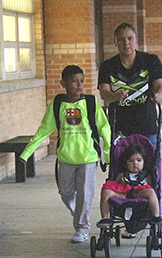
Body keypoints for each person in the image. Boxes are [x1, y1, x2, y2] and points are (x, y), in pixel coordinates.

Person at [20, 65, 111, 243]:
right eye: (74, 81)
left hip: (88, 158)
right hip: (66, 158)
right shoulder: (57, 105)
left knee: (85, 195)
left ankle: (82, 228)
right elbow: (44, 131)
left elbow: (105, 129)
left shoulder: (91, 103)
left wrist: (107, 155)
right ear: (63, 83)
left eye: (82, 81)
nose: (79, 85)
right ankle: (79, 213)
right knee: (65, 192)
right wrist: (27, 152)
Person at [97, 22, 162, 147]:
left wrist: (159, 96)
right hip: (120, 128)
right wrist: (115, 96)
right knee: (120, 165)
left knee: (150, 164)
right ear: (115, 42)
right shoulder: (107, 66)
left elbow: (160, 85)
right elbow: (104, 93)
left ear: (135, 40)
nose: (126, 43)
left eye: (130, 38)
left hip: (147, 127)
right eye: (121, 39)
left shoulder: (151, 61)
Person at [97, 143, 162, 228]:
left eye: (139, 160)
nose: (135, 163)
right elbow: (114, 185)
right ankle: (105, 218)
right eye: (131, 161)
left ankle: (156, 216)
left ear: (144, 162)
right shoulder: (122, 175)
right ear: (126, 164)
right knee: (106, 191)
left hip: (139, 194)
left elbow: (150, 186)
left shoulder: (147, 175)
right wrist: (121, 183)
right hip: (123, 194)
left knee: (151, 192)